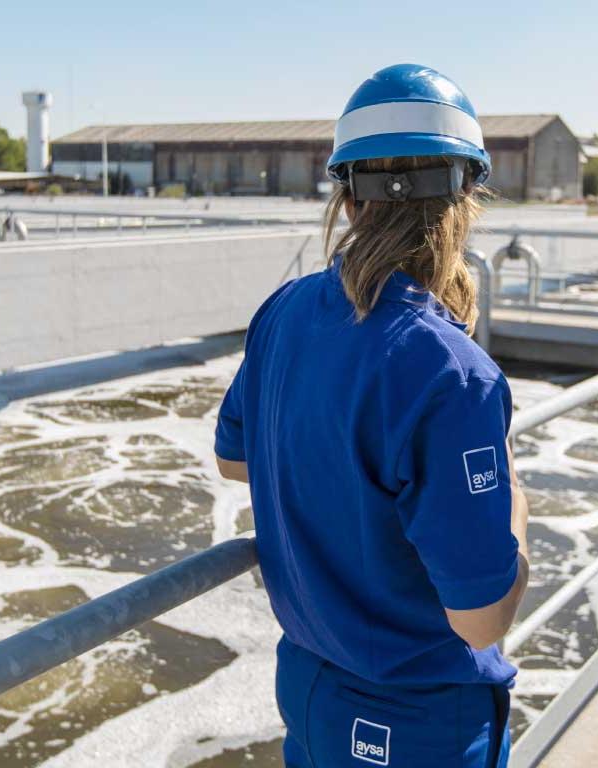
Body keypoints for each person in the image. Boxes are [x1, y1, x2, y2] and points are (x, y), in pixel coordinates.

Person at [213, 63, 531, 767]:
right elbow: (481, 621)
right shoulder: (452, 372)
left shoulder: (285, 311)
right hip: (417, 721)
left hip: (308, 688)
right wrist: (514, 497)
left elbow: (235, 459)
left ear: (347, 197)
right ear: (465, 196)